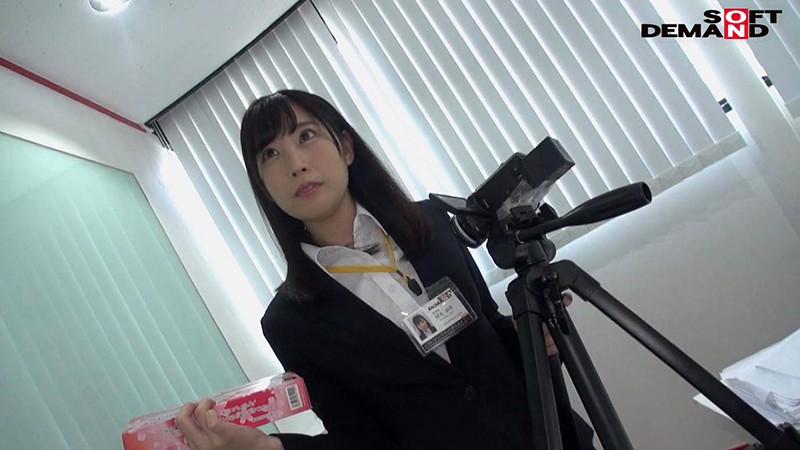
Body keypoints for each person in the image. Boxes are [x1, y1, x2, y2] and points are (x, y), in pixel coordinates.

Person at [175, 89, 595, 450]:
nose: (296, 164)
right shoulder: (289, 322)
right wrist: (268, 446)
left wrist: (530, 335)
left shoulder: (433, 222)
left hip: (550, 438)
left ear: (346, 147)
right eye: (270, 154)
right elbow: (358, 438)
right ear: (263, 186)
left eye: (306, 136)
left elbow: (489, 326)